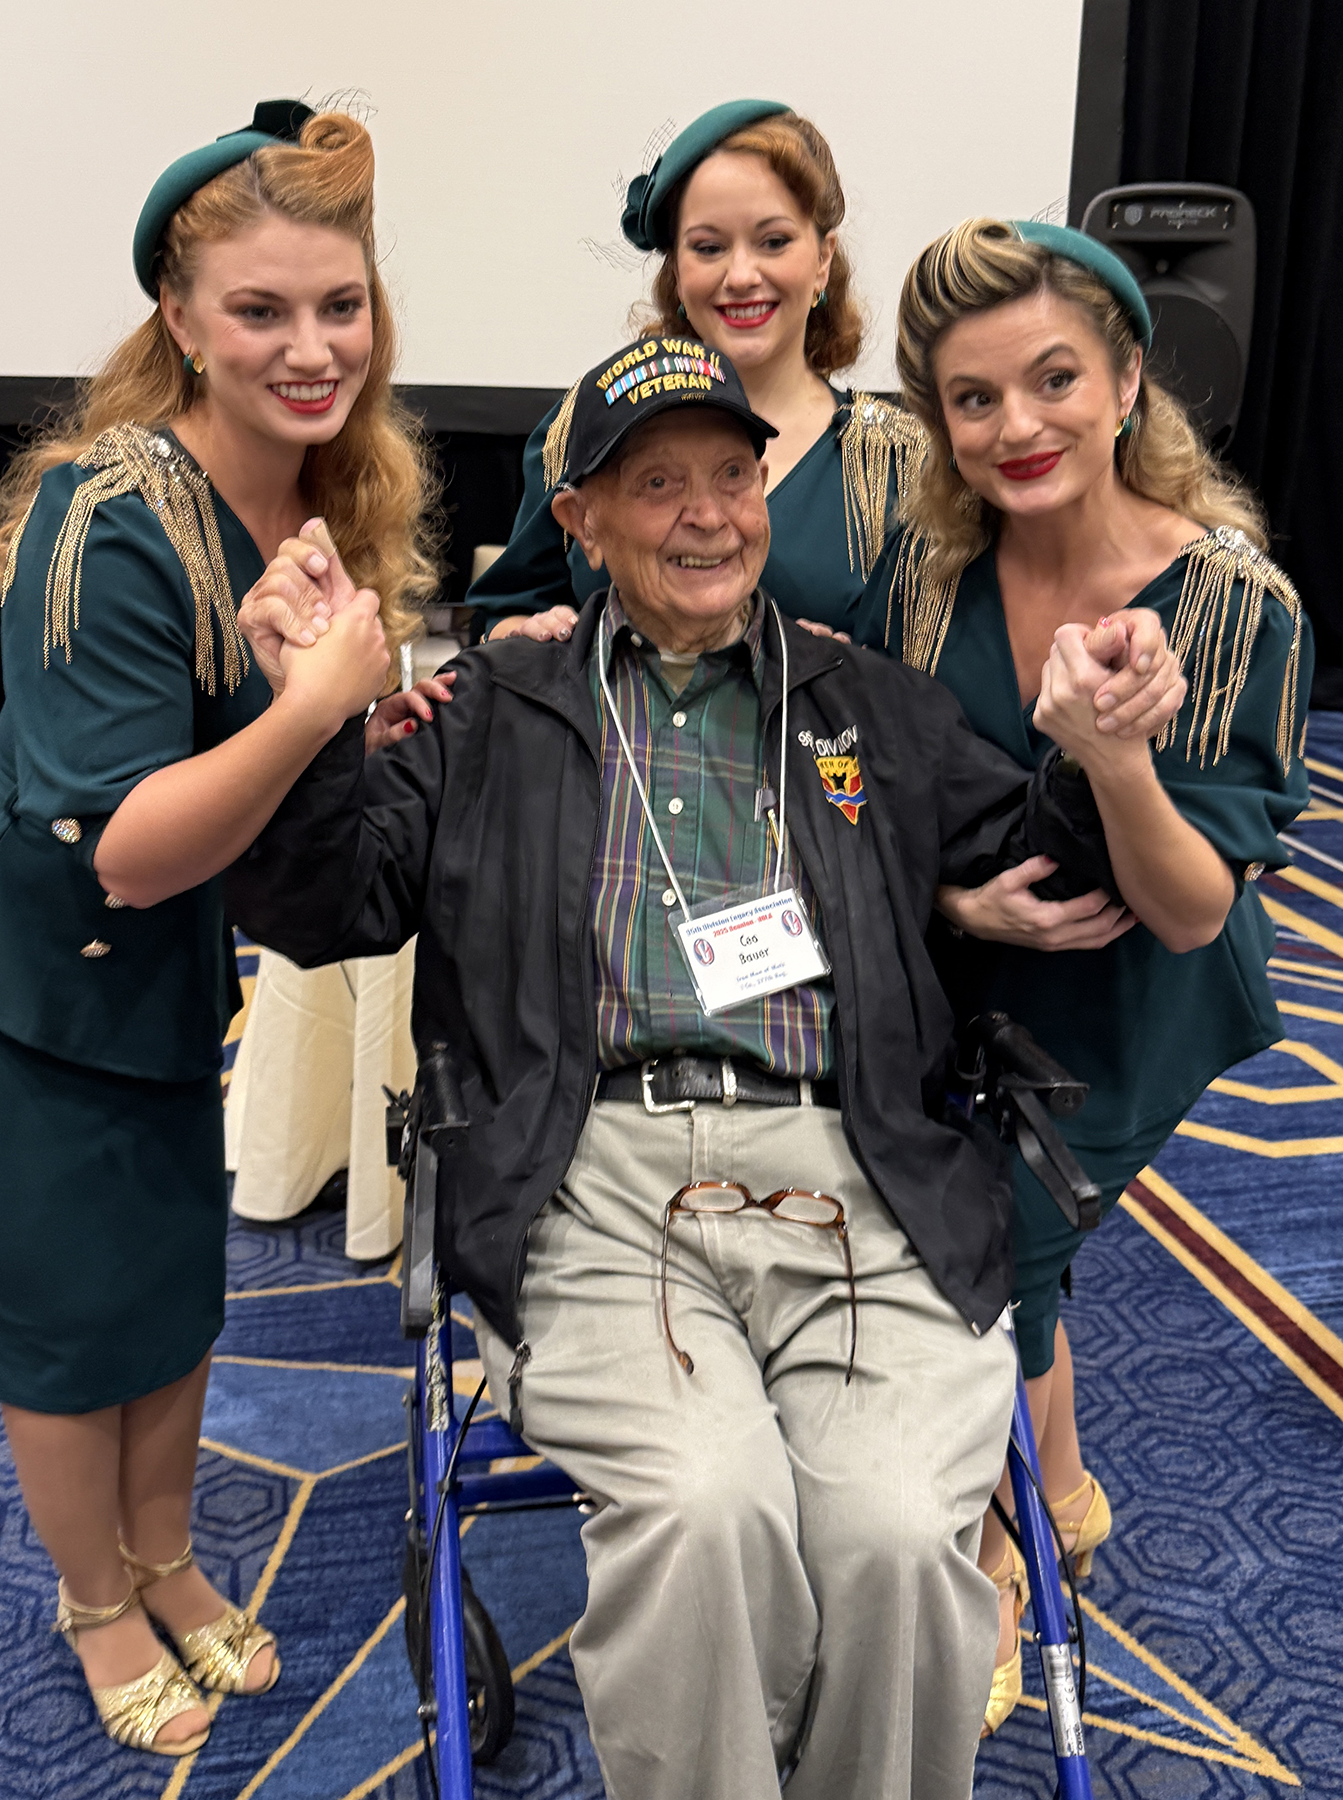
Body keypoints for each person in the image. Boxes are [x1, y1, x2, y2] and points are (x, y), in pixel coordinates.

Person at [228, 337, 1192, 1800]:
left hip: (852, 1165)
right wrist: (304, 722)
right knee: (703, 1511)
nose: (706, 515)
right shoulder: (495, 709)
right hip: (589, 1171)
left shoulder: (862, 704)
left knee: (894, 1533)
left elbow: (1042, 852)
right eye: (657, 483)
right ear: (580, 519)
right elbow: (324, 904)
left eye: (733, 477)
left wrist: (1097, 743)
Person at [0, 100, 438, 1756]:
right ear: (178, 319)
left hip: (152, 985)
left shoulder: (317, 488)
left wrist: (355, 720)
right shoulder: (104, 512)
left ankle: (166, 1562)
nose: (312, 348)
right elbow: (122, 851)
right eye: (260, 310)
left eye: (341, 304)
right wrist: (316, 704)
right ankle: (96, 1601)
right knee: (63, 1321)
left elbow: (251, 769)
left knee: (172, 1292)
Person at [846, 216, 1312, 1731]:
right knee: (981, 1234)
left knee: (998, 1245)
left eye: (1054, 379)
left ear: (1126, 381)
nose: (1017, 426)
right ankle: (1059, 1483)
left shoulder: (1231, 606)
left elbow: (1188, 910)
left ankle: (1004, 1551)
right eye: (973, 399)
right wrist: (949, 899)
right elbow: (852, 786)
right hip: (960, 974)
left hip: (1130, 997)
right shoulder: (929, 579)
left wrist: (1113, 757)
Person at [471, 99, 926, 642]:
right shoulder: (582, 429)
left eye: (774, 242)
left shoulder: (897, 465)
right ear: (677, 272)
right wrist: (529, 640)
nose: (741, 275)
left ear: (823, 259)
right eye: (709, 247)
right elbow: (503, 619)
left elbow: (921, 674)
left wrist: (855, 673)